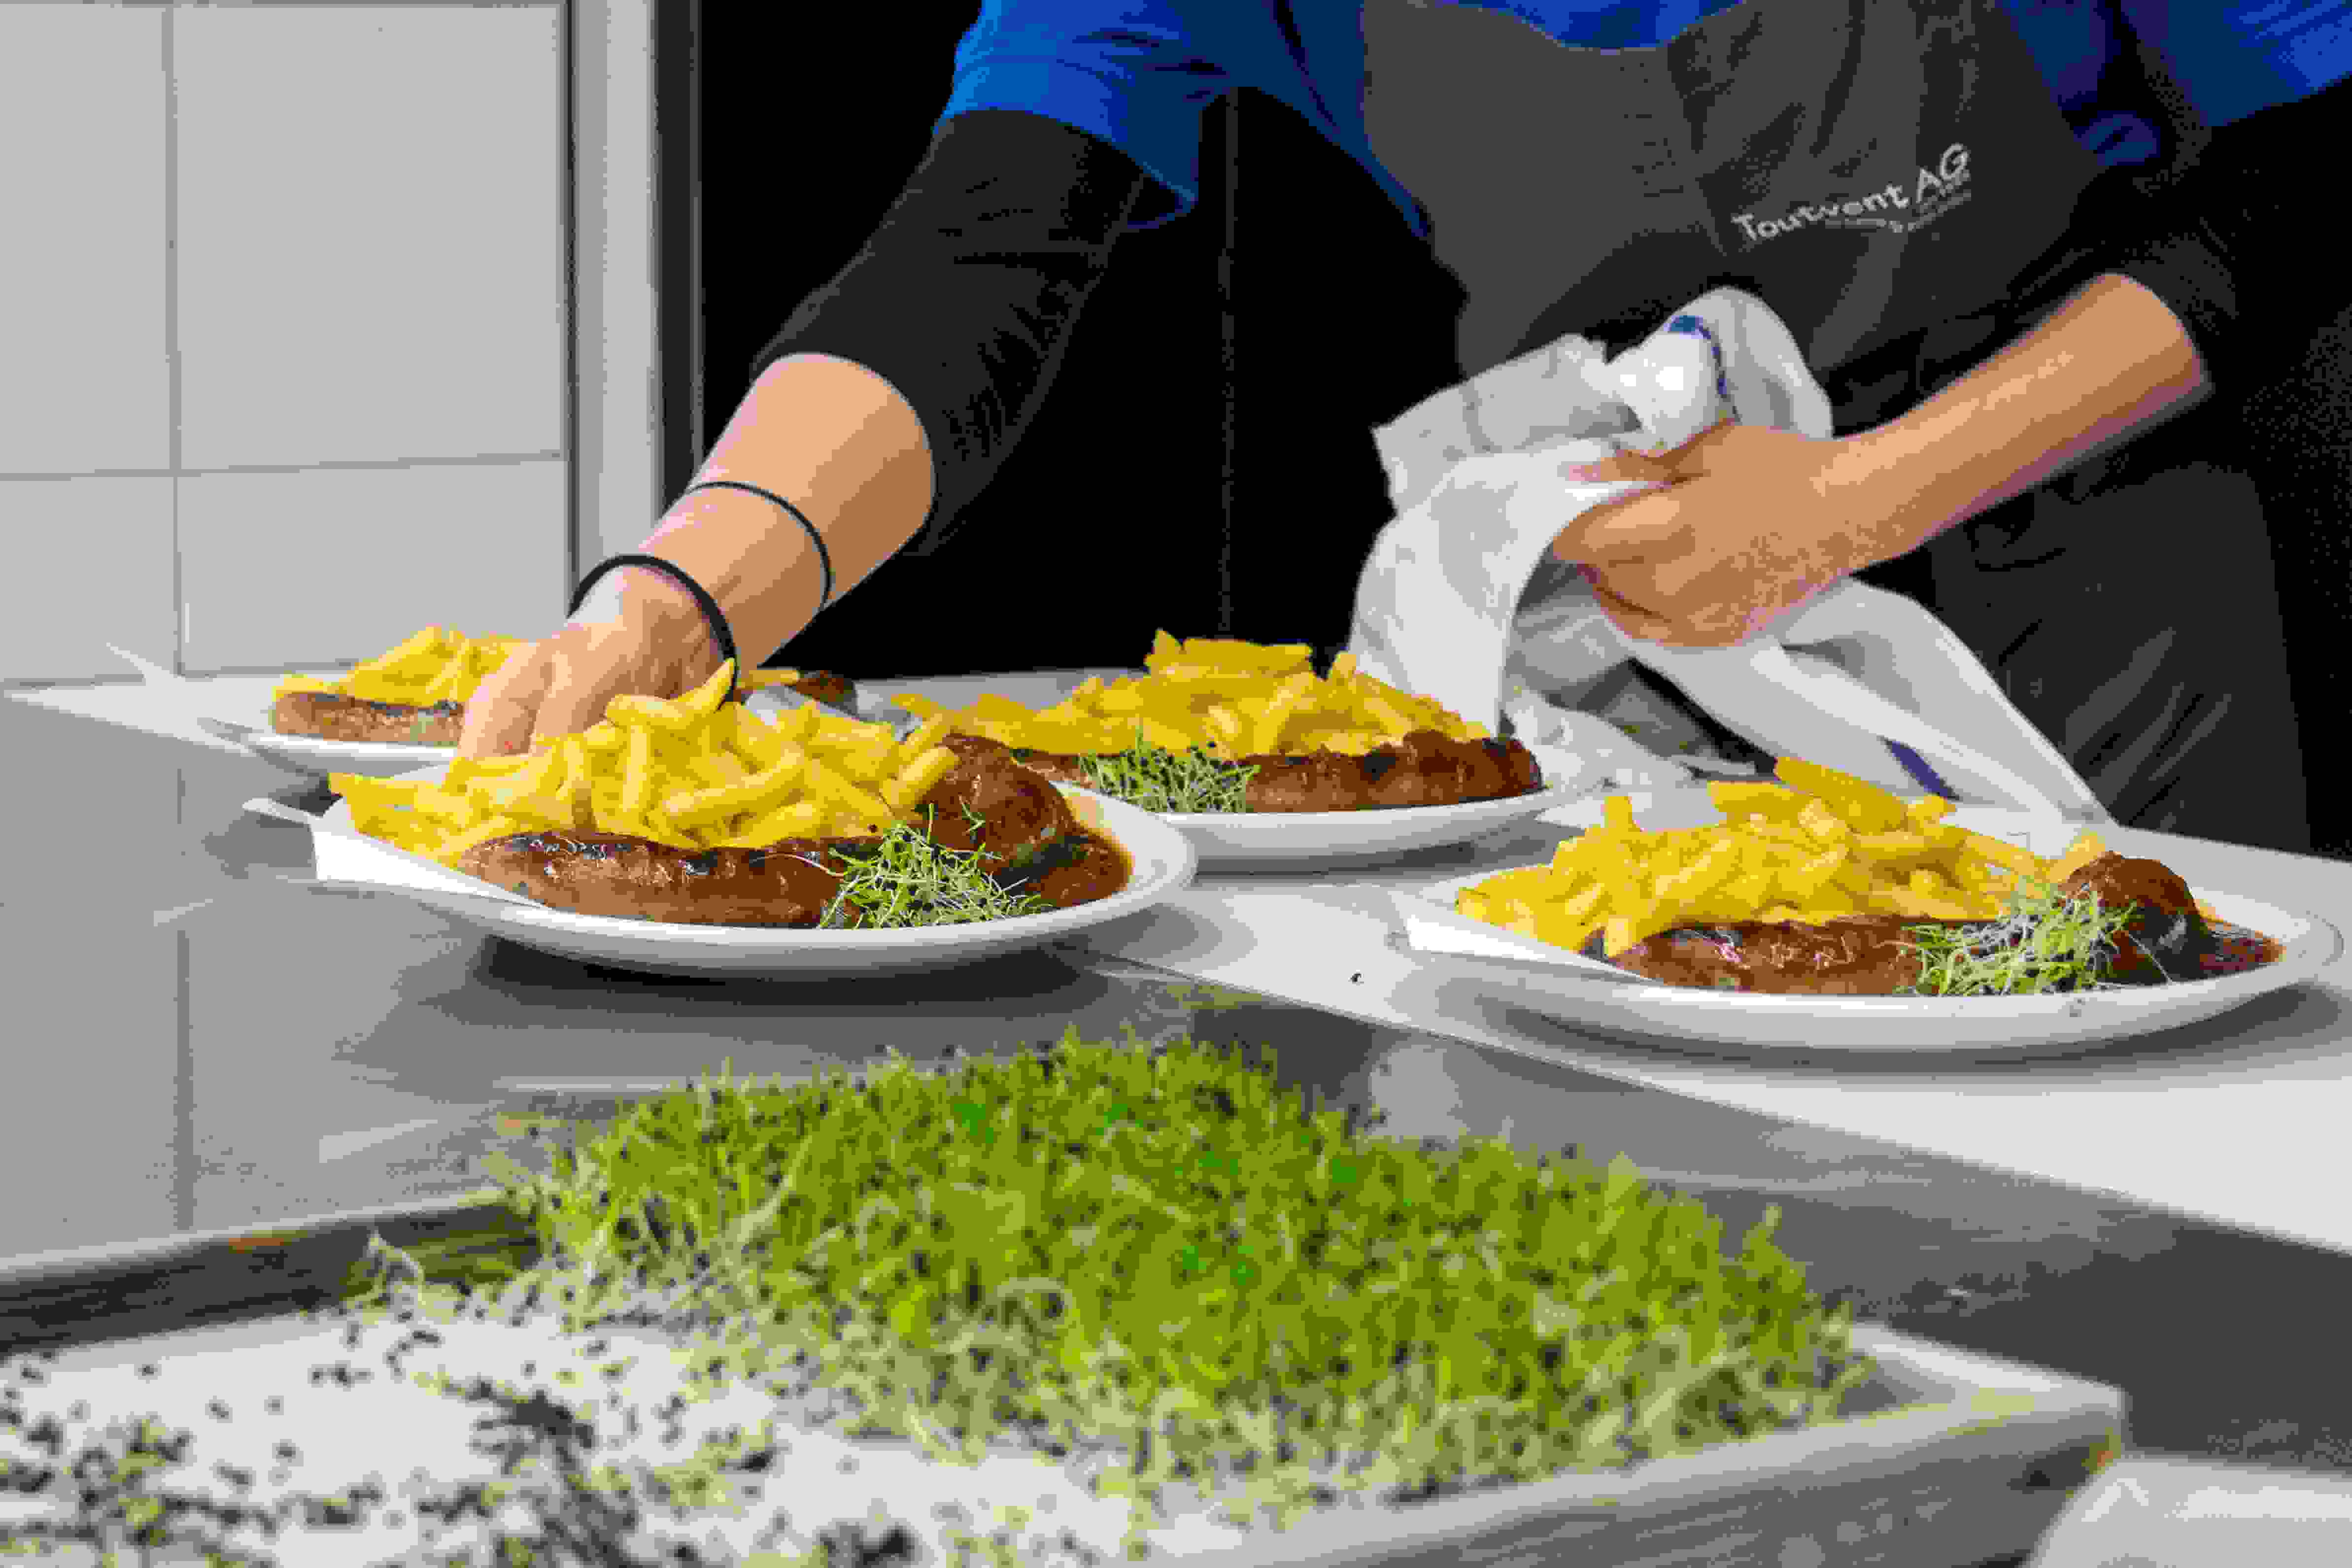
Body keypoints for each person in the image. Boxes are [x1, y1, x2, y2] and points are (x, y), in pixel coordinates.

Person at [460, 0, 2348, 854]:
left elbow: (2320, 159)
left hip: (2083, 594)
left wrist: (1854, 501)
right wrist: (677, 603)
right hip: (1625, 661)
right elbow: (974, 261)